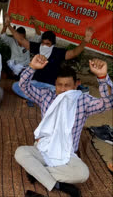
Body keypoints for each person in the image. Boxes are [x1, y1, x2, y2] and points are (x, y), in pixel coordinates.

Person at [14, 55, 113, 197]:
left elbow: (107, 104)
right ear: (55, 84)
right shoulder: (46, 96)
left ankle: (37, 173)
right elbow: (23, 86)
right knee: (20, 152)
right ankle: (57, 184)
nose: (62, 89)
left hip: (67, 153)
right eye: (59, 85)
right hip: (43, 149)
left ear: (76, 84)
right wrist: (31, 67)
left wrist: (102, 78)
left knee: (82, 173)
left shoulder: (82, 101)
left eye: (67, 85)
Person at [4, 14, 94, 104]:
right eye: (43, 43)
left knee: (61, 95)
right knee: (16, 86)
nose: (44, 46)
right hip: (35, 83)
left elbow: (74, 52)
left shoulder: (58, 52)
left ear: (52, 44)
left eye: (47, 44)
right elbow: (21, 40)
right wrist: (8, 25)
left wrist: (85, 41)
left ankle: (38, 99)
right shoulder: (37, 47)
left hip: (51, 86)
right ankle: (43, 100)